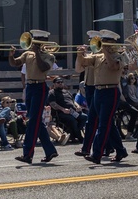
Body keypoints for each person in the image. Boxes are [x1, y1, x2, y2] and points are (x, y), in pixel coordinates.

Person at [78, 32, 128, 164]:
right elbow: (83, 63)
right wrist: (80, 53)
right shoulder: (97, 56)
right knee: (99, 121)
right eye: (103, 41)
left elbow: (113, 66)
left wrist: (106, 52)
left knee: (104, 124)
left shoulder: (120, 56)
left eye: (106, 41)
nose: (104, 44)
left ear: (113, 44)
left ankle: (97, 154)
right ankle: (121, 150)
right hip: (98, 91)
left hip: (111, 91)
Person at [9, 29, 58, 164]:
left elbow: (43, 68)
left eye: (37, 41)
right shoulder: (27, 54)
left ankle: (28, 154)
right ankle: (50, 150)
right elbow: (15, 63)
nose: (34, 44)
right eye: (34, 40)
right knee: (35, 121)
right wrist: (11, 56)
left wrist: (37, 52)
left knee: (33, 122)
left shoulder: (49, 56)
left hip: (40, 87)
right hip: (30, 87)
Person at [48, 75, 86, 143]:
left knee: (84, 117)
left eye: (61, 82)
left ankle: (72, 134)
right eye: (58, 82)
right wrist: (63, 109)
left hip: (73, 111)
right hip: (61, 113)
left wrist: (77, 106)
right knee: (72, 120)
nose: (60, 83)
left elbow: (73, 101)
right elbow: (53, 104)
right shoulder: (52, 92)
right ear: (54, 84)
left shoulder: (66, 91)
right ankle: (80, 137)